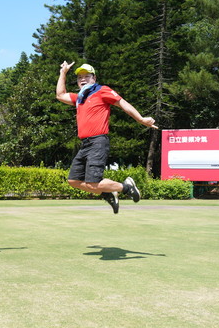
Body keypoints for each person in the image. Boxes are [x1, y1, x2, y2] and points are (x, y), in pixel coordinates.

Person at [56, 62, 158, 214]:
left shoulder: (102, 90)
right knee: (73, 180)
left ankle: (127, 187)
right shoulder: (80, 98)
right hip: (85, 144)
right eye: (79, 77)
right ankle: (108, 193)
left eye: (87, 76)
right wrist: (63, 72)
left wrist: (141, 119)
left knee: (93, 183)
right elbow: (60, 95)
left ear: (94, 78)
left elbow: (123, 103)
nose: (82, 79)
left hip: (98, 142)